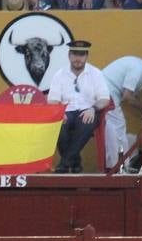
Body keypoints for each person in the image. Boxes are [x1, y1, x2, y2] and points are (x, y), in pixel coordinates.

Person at [47, 39, 110, 173]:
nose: (78, 59)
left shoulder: (96, 73)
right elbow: (52, 100)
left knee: (86, 122)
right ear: (69, 56)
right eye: (75, 54)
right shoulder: (60, 74)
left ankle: (64, 164)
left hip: (88, 110)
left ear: (86, 56)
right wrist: (59, 112)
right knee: (59, 127)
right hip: (66, 111)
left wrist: (93, 109)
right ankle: (75, 162)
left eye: (81, 55)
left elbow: (104, 98)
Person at [100, 55, 142, 165]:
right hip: (106, 93)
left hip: (105, 92)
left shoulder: (140, 68)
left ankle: (115, 165)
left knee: (112, 132)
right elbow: (128, 97)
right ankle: (118, 167)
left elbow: (132, 96)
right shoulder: (139, 70)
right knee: (118, 129)